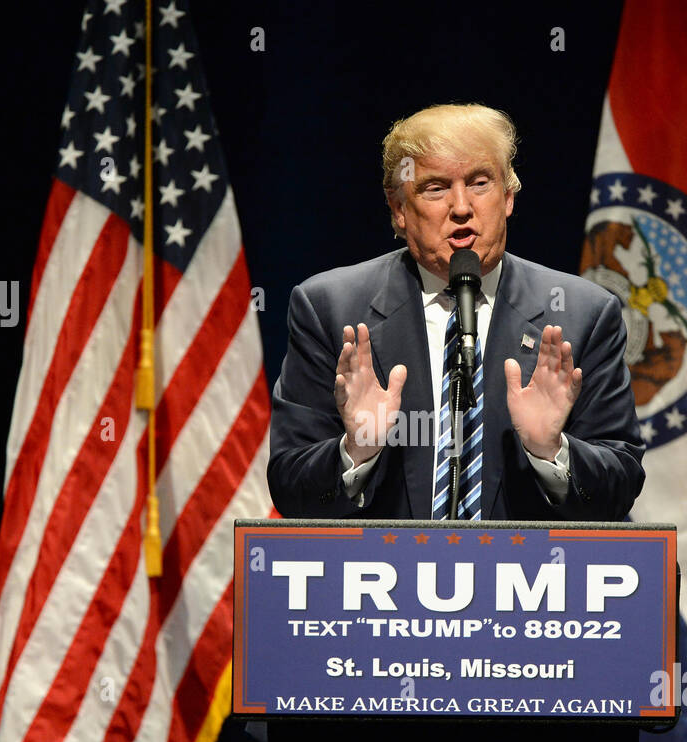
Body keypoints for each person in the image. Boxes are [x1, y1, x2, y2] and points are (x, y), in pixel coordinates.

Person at [267, 103, 645, 521]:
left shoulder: (584, 315)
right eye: (435, 188)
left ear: (507, 198)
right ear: (399, 210)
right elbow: (291, 489)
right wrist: (358, 448)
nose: (461, 207)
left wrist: (551, 451)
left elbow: (621, 486)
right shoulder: (329, 309)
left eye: (480, 183)